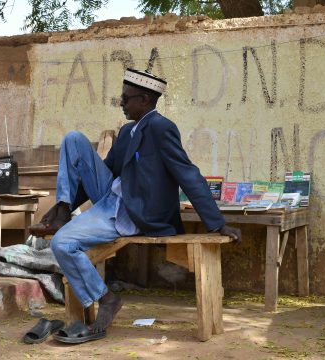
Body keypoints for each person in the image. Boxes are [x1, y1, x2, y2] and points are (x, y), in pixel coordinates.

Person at [29, 68, 241, 343]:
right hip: (110, 199)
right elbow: (107, 170)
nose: (122, 103)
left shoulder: (161, 128)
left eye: (126, 98)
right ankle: (62, 209)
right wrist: (67, 205)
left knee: (62, 244)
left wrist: (217, 222)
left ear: (144, 99)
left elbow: (187, 173)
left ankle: (105, 299)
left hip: (131, 213)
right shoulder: (128, 131)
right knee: (73, 139)